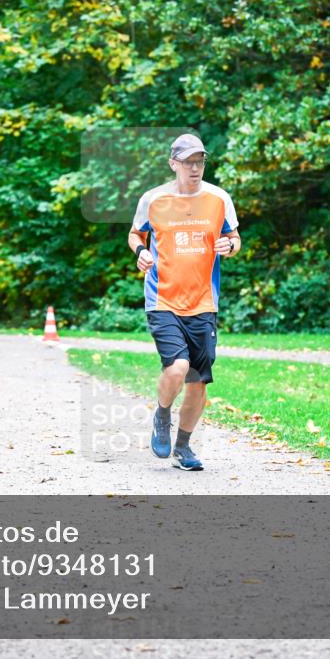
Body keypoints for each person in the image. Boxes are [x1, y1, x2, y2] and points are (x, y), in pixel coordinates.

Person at [128, 133, 241, 471]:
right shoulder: (154, 199)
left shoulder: (219, 199)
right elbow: (136, 234)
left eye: (200, 161)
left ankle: (184, 448)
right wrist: (141, 251)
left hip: (204, 303)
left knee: (198, 381)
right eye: (188, 162)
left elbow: (234, 238)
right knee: (178, 367)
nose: (195, 168)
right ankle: (162, 416)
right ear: (173, 164)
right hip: (162, 298)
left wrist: (230, 247)